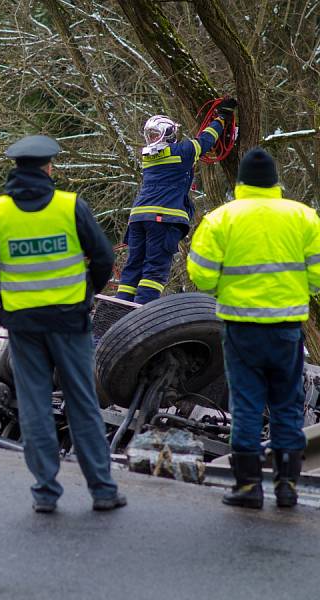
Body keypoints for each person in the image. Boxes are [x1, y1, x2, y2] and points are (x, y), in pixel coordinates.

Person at [0, 134, 124, 513]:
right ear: (49, 167)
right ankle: (102, 490)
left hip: (22, 325)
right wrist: (87, 291)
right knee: (83, 402)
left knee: (35, 405)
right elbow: (104, 259)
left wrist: (1, 295)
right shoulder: (70, 206)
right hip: (70, 321)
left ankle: (45, 492)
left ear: (15, 170)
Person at [187, 147, 320, 509]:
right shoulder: (304, 217)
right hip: (287, 328)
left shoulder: (221, 218)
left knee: (245, 404)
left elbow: (200, 273)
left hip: (241, 327)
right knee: (287, 404)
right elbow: (318, 274)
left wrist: (223, 289)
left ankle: (247, 487)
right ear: (275, 181)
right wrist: (300, 290)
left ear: (241, 181)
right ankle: (287, 485)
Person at [116, 98, 237, 304]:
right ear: (171, 134)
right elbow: (205, 140)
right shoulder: (181, 152)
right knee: (154, 270)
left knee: (133, 267)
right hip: (162, 219)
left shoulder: (148, 157)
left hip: (137, 218)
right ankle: (141, 312)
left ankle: (119, 308)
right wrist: (222, 119)